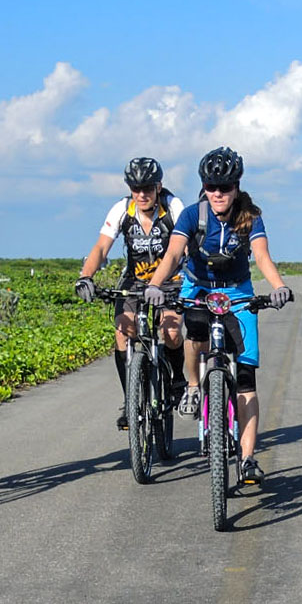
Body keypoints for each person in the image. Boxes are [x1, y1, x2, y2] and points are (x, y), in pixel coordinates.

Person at [144, 147, 292, 486]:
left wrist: (279, 286)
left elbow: (262, 255)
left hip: (237, 293)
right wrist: (155, 284)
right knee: (193, 336)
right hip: (197, 289)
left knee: (246, 380)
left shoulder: (250, 216)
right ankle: (195, 386)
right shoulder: (192, 216)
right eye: (211, 187)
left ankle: (248, 457)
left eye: (224, 187)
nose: (218, 194)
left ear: (236, 187)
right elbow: (173, 253)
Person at [74, 158, 187, 428]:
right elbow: (101, 247)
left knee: (171, 332)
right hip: (135, 281)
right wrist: (85, 277)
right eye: (136, 188)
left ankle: (177, 379)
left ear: (159, 186)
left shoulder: (173, 207)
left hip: (171, 281)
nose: (142, 194)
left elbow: (184, 247)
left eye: (147, 188)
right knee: (123, 332)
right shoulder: (122, 209)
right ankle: (131, 399)